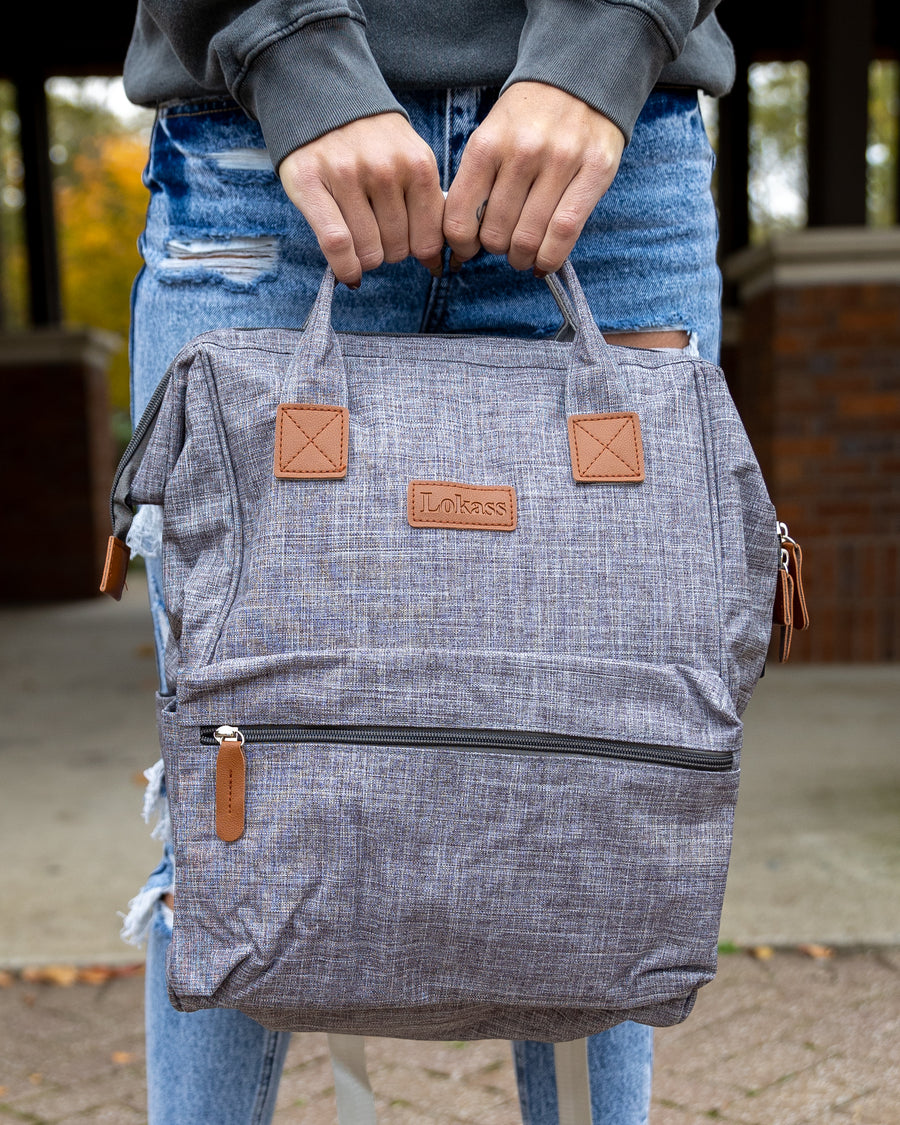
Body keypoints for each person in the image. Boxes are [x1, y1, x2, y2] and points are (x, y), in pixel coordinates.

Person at [119, 2, 734, 1121]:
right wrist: (290, 53)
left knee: (609, 770)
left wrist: (604, 41)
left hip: (608, 160)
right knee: (240, 770)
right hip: (265, 152)